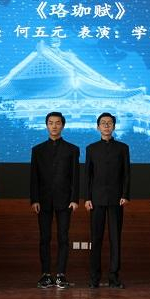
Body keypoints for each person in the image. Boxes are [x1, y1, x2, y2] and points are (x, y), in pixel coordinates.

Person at [31, 112, 80, 289]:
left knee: (63, 237)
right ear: (46, 125)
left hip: (65, 200)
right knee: (44, 237)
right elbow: (34, 177)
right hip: (43, 200)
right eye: (51, 123)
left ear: (63, 126)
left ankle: (60, 274)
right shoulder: (37, 150)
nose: (54, 126)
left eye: (57, 123)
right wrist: (34, 199)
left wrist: (74, 199)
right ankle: (45, 274)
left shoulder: (72, 149)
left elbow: (75, 176)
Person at [85, 113, 130, 289]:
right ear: (98, 127)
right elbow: (88, 176)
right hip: (96, 200)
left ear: (114, 127)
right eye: (103, 123)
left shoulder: (123, 148)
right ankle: (94, 278)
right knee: (95, 239)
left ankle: (114, 277)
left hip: (116, 200)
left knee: (115, 239)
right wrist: (87, 198)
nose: (106, 126)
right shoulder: (91, 148)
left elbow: (126, 174)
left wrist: (125, 194)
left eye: (109, 123)